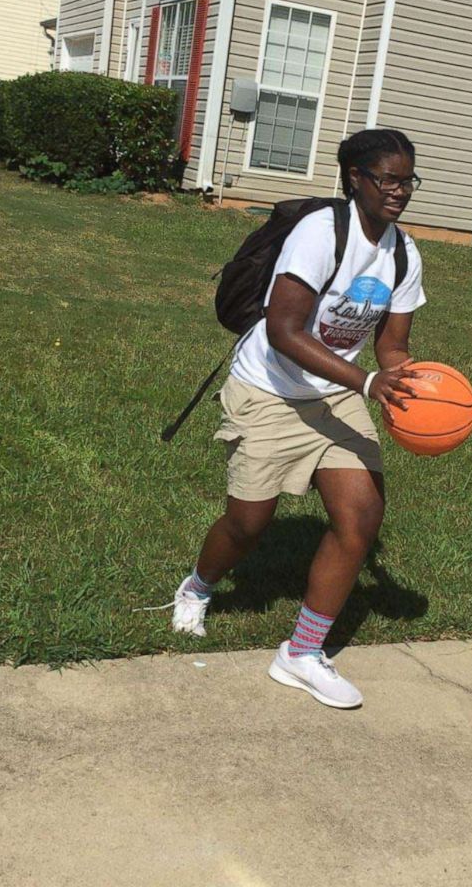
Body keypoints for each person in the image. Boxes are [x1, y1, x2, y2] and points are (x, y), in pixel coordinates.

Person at [172, 128, 426, 709]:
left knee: (360, 519)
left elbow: (392, 344)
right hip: (268, 389)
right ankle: (198, 586)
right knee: (248, 526)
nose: (399, 191)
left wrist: (411, 385)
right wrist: (365, 381)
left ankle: (301, 653)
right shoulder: (319, 233)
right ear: (354, 179)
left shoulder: (405, 253)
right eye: (387, 179)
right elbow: (284, 331)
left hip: (335, 394)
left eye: (407, 179)